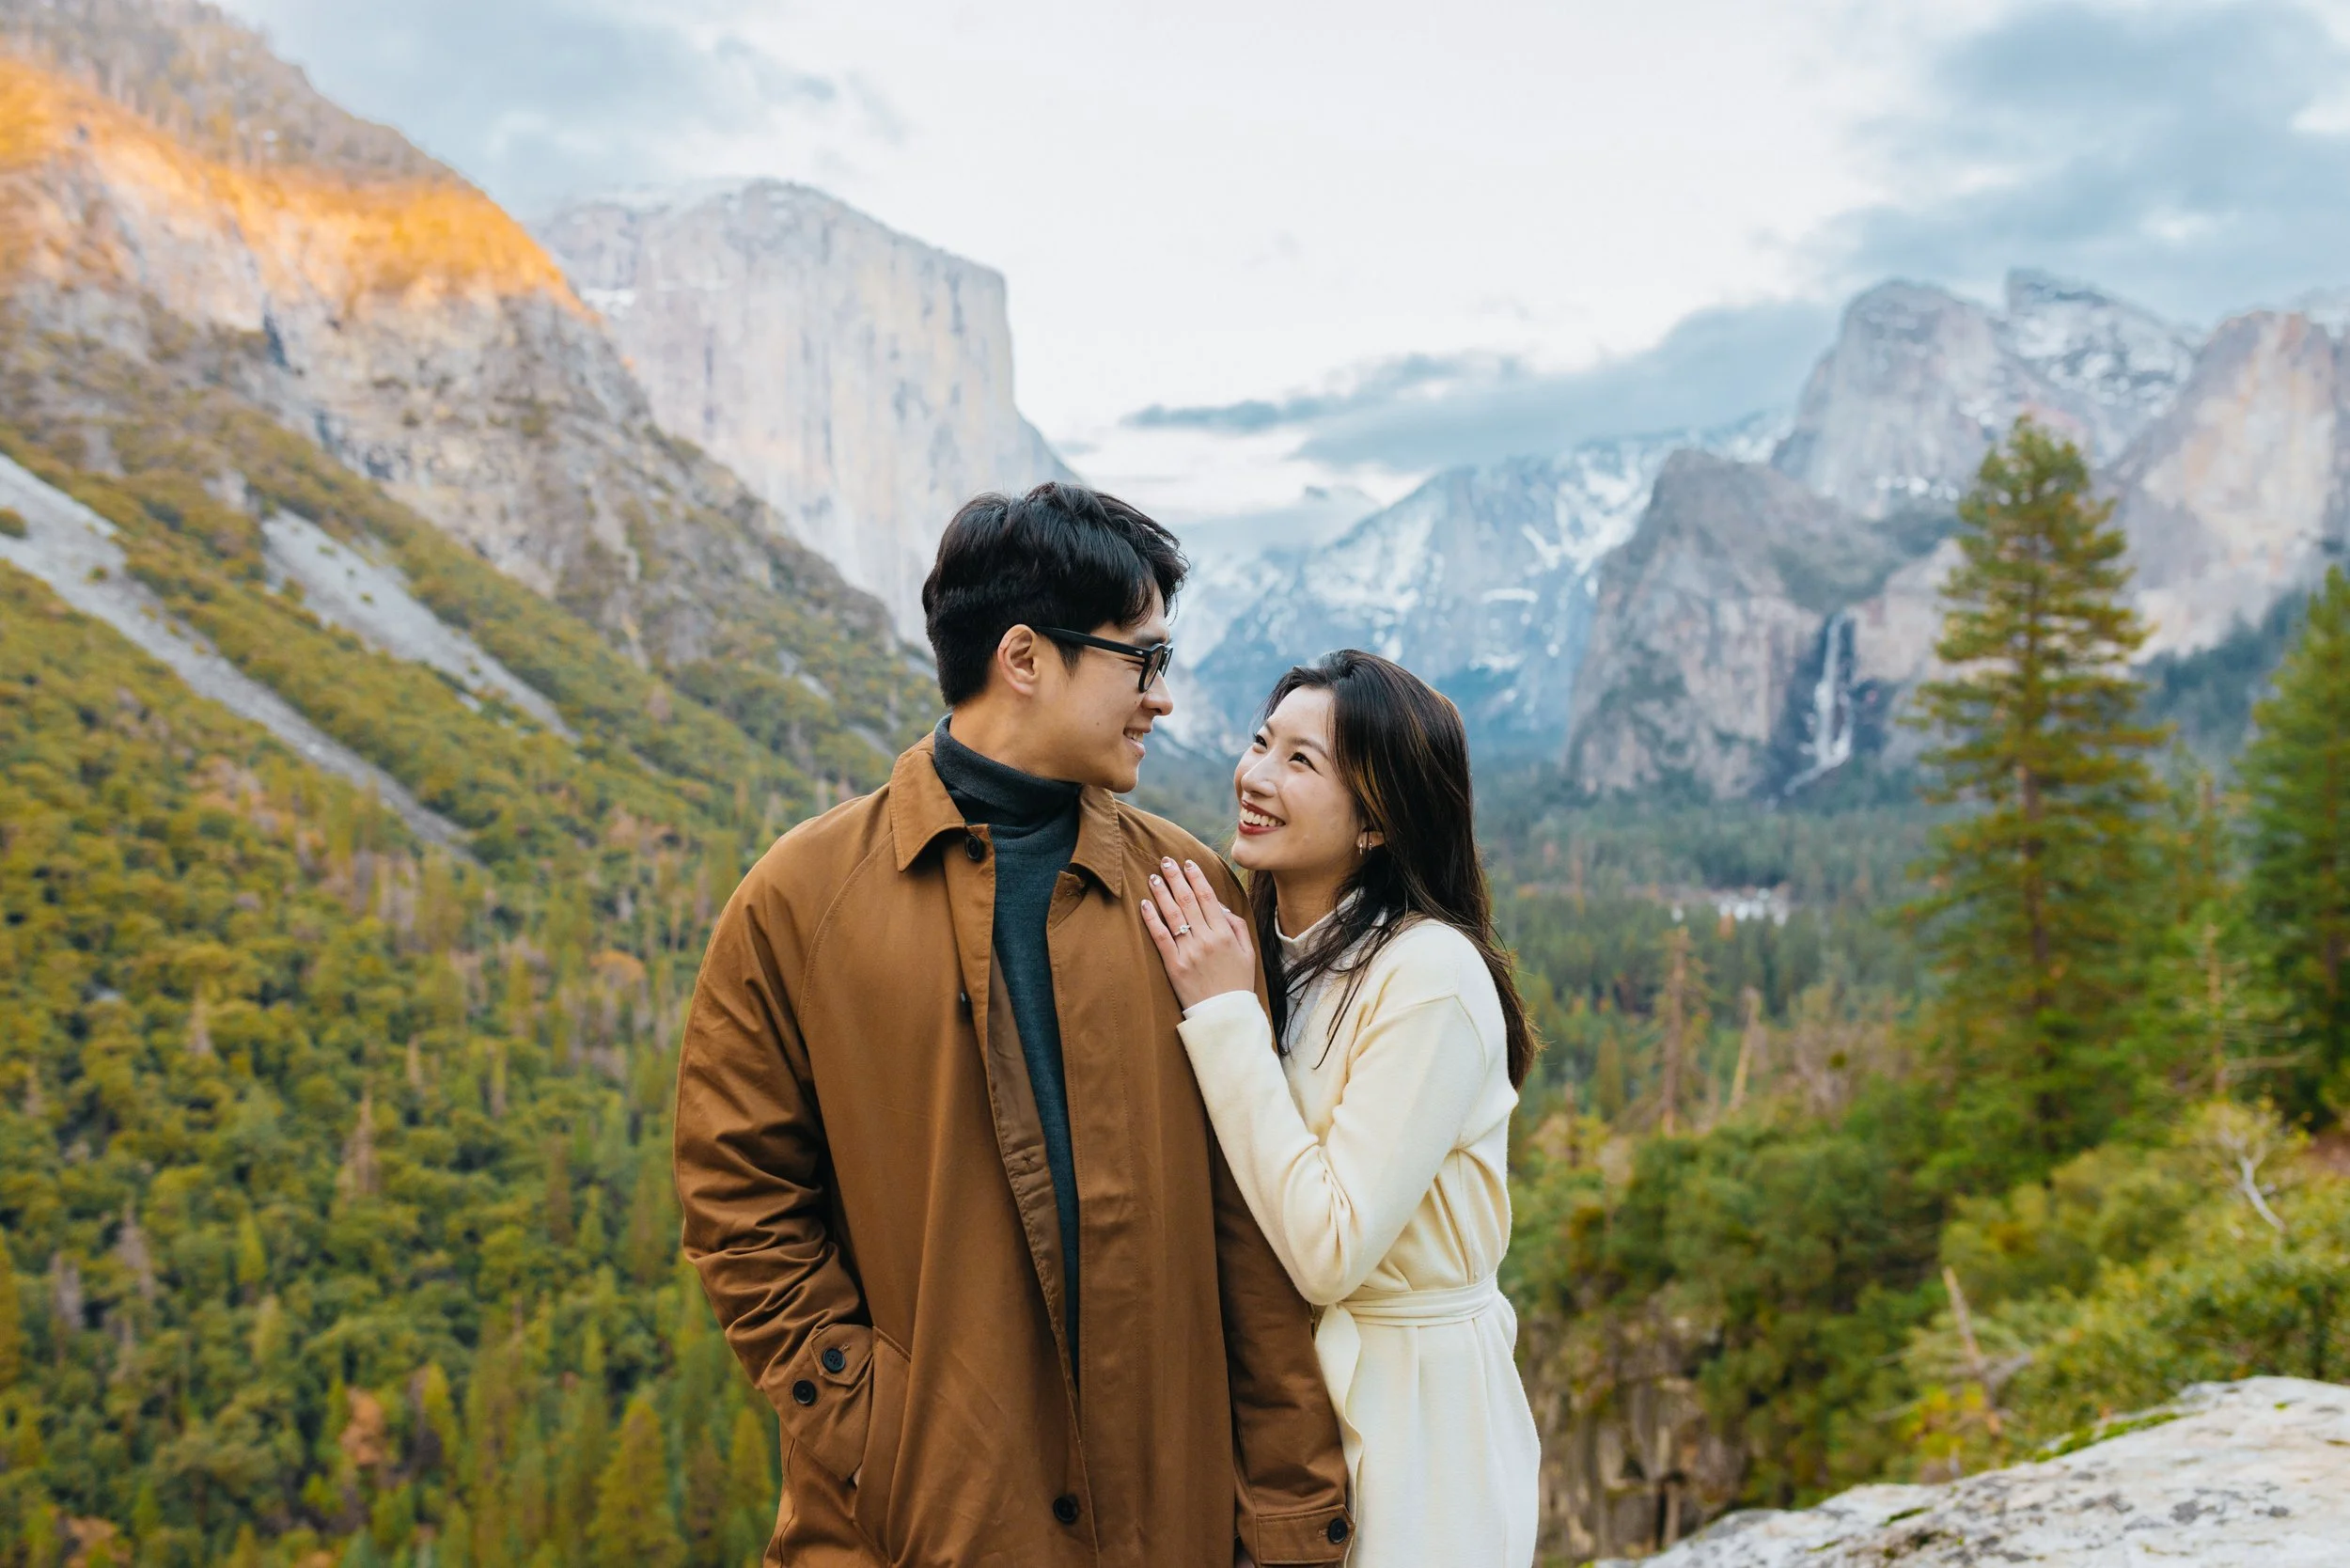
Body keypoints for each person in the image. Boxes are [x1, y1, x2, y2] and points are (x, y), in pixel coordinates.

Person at [673, 483, 1353, 1568]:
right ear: (1026, 658)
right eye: (1142, 661)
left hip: (1169, 1527)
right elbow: (738, 1202)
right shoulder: (797, 901)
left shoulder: (1190, 891)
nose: (1162, 701)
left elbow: (1254, 1237)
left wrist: (1290, 1518)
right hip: (914, 1526)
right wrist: (871, 1425)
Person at [1139, 650, 1543, 1568]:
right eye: (1258, 743)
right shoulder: (1266, 952)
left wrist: (1223, 1013)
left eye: (1301, 761)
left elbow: (1330, 1247)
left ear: (1377, 819)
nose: (1255, 776)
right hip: (1283, 1412)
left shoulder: (1428, 976)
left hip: (1417, 1425)